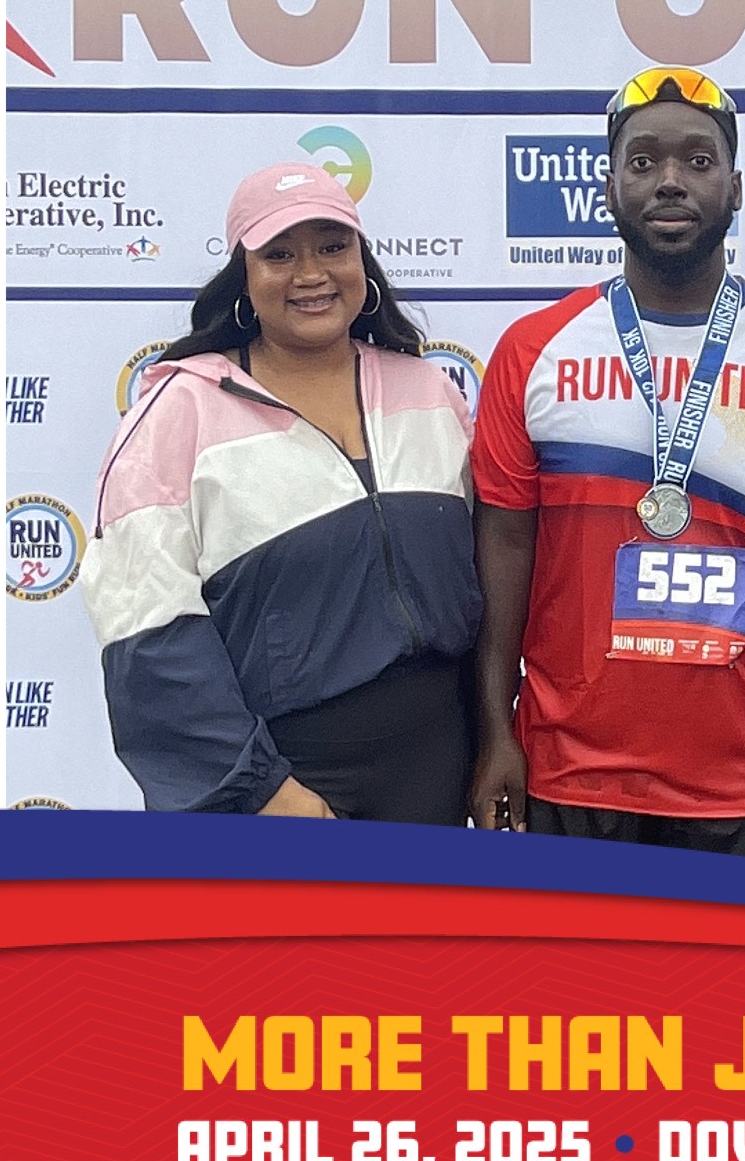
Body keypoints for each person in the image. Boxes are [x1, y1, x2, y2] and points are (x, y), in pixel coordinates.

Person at [469, 66, 745, 862]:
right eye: (643, 161)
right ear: (609, 186)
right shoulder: (533, 349)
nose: (669, 182)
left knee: (739, 995)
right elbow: (505, 548)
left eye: (697, 161)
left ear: (736, 188)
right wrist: (494, 733)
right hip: (564, 778)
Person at [81, 163, 482, 821]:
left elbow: (483, 588)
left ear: (363, 261)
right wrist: (259, 789)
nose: (311, 274)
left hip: (437, 770)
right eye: (279, 254)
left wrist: (494, 741)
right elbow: (143, 629)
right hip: (285, 785)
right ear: (244, 275)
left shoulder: (430, 391)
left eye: (332, 246)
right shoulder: (181, 410)